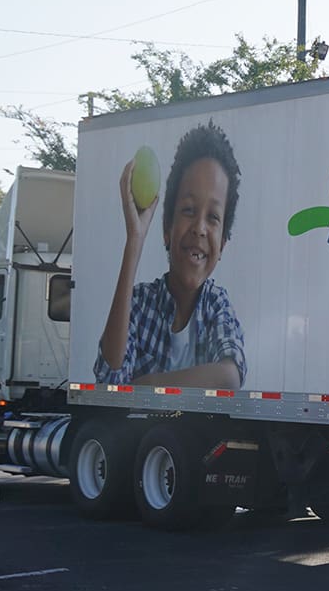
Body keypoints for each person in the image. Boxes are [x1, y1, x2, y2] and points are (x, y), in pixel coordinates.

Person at [95, 120, 247, 390]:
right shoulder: (140, 304)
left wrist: (149, 384)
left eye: (212, 217)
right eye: (188, 210)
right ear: (167, 229)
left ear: (222, 244)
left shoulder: (215, 304)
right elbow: (111, 380)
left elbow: (229, 375)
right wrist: (135, 238)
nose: (199, 228)